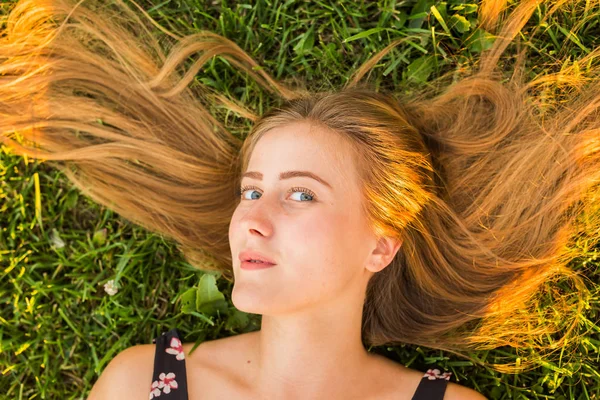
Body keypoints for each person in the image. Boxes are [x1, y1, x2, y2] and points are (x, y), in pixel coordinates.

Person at [1, 0, 599, 399]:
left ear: (380, 244)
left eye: (302, 193)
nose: (252, 221)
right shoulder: (141, 384)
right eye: (253, 189)